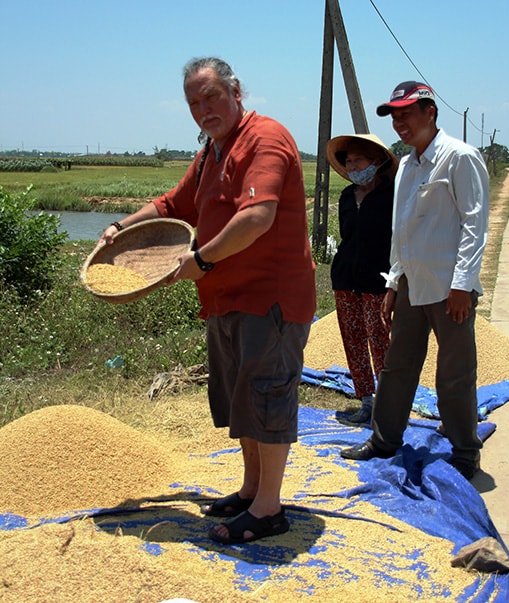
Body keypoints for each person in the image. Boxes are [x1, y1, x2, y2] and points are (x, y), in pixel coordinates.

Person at [97, 57, 316, 542]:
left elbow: (256, 217)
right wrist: (120, 228)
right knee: (243, 402)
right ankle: (251, 490)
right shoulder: (213, 151)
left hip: (270, 300)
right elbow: (172, 205)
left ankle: (268, 511)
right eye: (193, 102)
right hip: (226, 299)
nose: (203, 109)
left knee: (266, 397)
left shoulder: (265, 138)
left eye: (211, 96)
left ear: (236, 91)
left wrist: (203, 258)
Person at [340, 81, 489, 480]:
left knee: (454, 371)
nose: (401, 123)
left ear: (430, 113)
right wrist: (393, 283)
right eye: (395, 116)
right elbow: (401, 229)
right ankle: (384, 439)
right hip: (411, 284)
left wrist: (462, 284)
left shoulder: (460, 158)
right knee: (397, 365)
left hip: (448, 286)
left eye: (408, 113)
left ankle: (464, 450)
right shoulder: (405, 165)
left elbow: (475, 226)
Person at [326, 134, 397, 424]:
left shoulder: (392, 194)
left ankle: (389, 403)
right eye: (349, 162)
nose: (353, 166)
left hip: (378, 280)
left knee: (380, 341)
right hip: (345, 278)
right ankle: (366, 401)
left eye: (358, 160)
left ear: (376, 161)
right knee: (353, 341)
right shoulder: (346, 196)